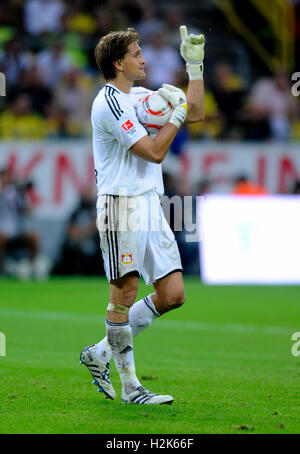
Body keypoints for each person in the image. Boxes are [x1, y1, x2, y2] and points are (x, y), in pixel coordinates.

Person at [80, 26, 205, 405]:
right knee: (125, 292)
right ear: (119, 63)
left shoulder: (139, 96)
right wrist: (176, 115)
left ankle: (99, 352)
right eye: (136, 54)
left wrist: (194, 67)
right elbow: (152, 152)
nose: (144, 59)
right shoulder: (109, 103)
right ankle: (132, 388)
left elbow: (196, 112)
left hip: (152, 202)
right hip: (121, 204)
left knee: (173, 294)